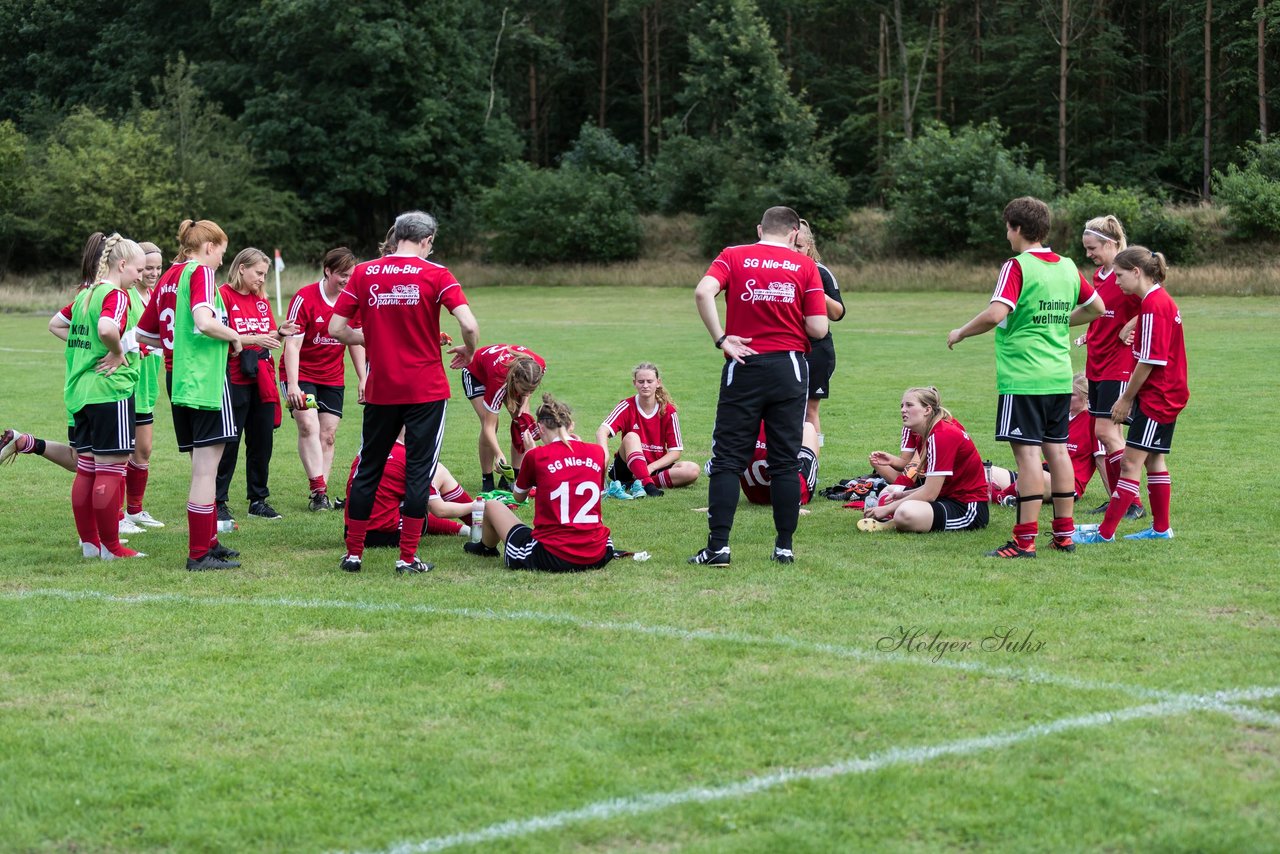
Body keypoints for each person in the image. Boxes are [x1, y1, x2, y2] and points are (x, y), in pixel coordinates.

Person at [947, 196, 1104, 558]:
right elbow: (1096, 307)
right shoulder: (1065, 266)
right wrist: (1059, 321)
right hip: (1059, 377)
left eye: (1007, 228)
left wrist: (961, 332)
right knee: (1058, 452)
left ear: (1017, 228)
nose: (1007, 236)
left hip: (1024, 377)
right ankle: (1064, 535)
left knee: (1028, 458)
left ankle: (1024, 540)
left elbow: (995, 313)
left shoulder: (1016, 266)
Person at [330, 210, 479, 575]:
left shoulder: (364, 271)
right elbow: (469, 324)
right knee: (418, 472)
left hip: (382, 388)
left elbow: (337, 328)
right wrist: (469, 351)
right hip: (425, 389)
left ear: (396, 235)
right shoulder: (436, 273)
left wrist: (371, 338)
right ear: (427, 241)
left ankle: (353, 555)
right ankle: (408, 558)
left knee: (369, 468)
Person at [137, 219, 280, 570]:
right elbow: (203, 321)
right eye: (222, 253)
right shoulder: (199, 272)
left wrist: (178, 344)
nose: (220, 262)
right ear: (209, 247)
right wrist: (233, 335)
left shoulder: (169, 276)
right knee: (206, 470)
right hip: (205, 381)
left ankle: (210, 543)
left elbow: (144, 335)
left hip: (179, 379)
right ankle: (200, 552)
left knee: (203, 466)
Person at [690, 205, 829, 566]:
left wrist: (721, 339)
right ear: (795, 233)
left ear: (759, 229)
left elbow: (703, 292)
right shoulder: (805, 265)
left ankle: (718, 547)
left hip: (744, 362)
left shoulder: (734, 255)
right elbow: (819, 328)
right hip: (790, 367)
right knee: (785, 462)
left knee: (727, 460)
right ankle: (784, 547)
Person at [1074, 247, 1187, 544]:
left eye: (1121, 275)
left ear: (1137, 272)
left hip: (1158, 397)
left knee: (1130, 464)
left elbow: (1150, 361)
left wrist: (1126, 399)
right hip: (1167, 394)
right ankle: (1161, 529)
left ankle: (1104, 533)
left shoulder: (1153, 305)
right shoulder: (1155, 301)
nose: (1118, 281)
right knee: (1154, 461)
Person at [63, 234, 148, 559]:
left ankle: (90, 544)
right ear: (122, 265)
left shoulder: (87, 294)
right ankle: (111, 547)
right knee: (110, 469)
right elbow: (106, 329)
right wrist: (117, 352)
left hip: (81, 392)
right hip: (109, 390)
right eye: (138, 270)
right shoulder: (116, 294)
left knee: (86, 468)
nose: (139, 277)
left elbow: (60, 324)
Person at [462, 394, 614, 572]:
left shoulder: (536, 455)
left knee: (492, 506)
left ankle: (486, 547)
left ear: (540, 428)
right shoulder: (597, 452)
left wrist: (529, 453)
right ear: (571, 425)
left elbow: (518, 497)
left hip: (553, 554)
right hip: (597, 552)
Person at [282, 247, 367, 511]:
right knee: (308, 425)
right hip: (301, 374)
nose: (346, 280)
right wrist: (293, 385)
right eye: (342, 275)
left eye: (350, 276)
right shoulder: (304, 298)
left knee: (328, 435)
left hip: (332, 376)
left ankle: (322, 495)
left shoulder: (351, 301)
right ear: (327, 270)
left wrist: (363, 378)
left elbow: (355, 342)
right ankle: (318, 491)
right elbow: (292, 346)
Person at [215, 248, 293, 521]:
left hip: (261, 378)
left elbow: (266, 338)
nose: (262, 279)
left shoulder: (261, 300)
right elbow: (219, 337)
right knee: (229, 442)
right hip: (233, 378)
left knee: (262, 442)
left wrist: (279, 334)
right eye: (258, 273)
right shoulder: (222, 296)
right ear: (241, 269)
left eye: (264, 274)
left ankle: (257, 500)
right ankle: (217, 501)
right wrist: (255, 338)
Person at [1079, 215, 1145, 520]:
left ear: (1109, 243)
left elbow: (1156, 304)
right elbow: (1103, 312)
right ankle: (1119, 499)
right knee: (1106, 433)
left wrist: (1132, 323)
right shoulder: (1099, 276)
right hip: (1096, 362)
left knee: (1105, 431)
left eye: (1093, 247)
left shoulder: (1130, 272)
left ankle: (1131, 503)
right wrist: (1089, 334)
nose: (1089, 254)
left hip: (1118, 364)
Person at [859, 387, 990, 533]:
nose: (903, 410)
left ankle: (896, 520)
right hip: (945, 496)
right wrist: (903, 494)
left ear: (927, 410)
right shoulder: (927, 433)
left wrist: (887, 509)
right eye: (902, 406)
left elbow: (930, 493)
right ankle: (897, 519)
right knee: (889, 491)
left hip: (967, 507)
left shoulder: (942, 435)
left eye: (909, 405)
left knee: (905, 512)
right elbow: (934, 485)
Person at [343, 438, 477, 548]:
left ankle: (465, 529)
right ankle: (477, 522)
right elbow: (439, 510)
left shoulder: (366, 449)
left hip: (353, 531)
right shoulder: (408, 457)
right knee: (439, 472)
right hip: (386, 535)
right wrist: (475, 505)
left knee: (406, 500)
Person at [598, 361, 699, 499]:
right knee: (632, 437)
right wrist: (604, 453)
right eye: (641, 381)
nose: (645, 385)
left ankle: (635, 483)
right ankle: (648, 485)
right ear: (635, 383)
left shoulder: (668, 411)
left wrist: (650, 469)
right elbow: (602, 430)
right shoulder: (627, 405)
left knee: (692, 470)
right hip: (626, 468)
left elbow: (675, 451)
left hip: (654, 467)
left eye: (649, 381)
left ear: (658, 382)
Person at [122, 241, 167, 530]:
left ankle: (135, 511)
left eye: (158, 268)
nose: (152, 273)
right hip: (127, 384)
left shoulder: (156, 295)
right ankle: (117, 516)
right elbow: (118, 335)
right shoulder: (125, 295)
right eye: (148, 268)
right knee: (121, 453)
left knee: (144, 450)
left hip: (148, 383)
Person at [461, 343, 546, 492]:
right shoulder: (499, 380)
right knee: (492, 423)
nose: (527, 392)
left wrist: (525, 403)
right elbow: (489, 426)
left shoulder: (538, 367)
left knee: (521, 422)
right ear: (515, 380)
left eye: (532, 389)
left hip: (504, 373)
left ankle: (512, 476)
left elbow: (527, 391)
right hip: (476, 374)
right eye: (524, 389)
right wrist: (498, 453)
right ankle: (487, 479)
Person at [795, 219, 846, 446]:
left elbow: (838, 312)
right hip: (787, 349)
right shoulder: (779, 270)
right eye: (791, 244)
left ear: (809, 246)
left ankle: (812, 461)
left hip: (816, 350)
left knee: (809, 408)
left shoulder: (820, 272)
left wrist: (817, 292)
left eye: (800, 245)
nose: (795, 250)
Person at [738, 420, 820, 508]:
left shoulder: (743, 426)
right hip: (794, 495)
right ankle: (796, 491)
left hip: (755, 496)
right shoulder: (784, 422)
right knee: (808, 427)